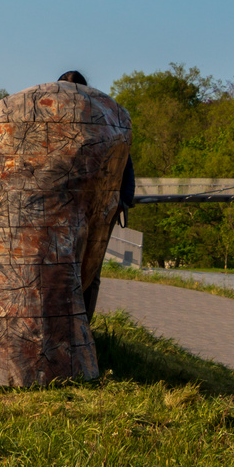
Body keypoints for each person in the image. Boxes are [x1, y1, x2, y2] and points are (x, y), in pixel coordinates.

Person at [57, 70, 135, 320]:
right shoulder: (52, 123)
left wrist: (123, 200)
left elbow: (124, 160)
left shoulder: (100, 123)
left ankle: (83, 325)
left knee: (91, 267)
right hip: (60, 205)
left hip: (98, 207)